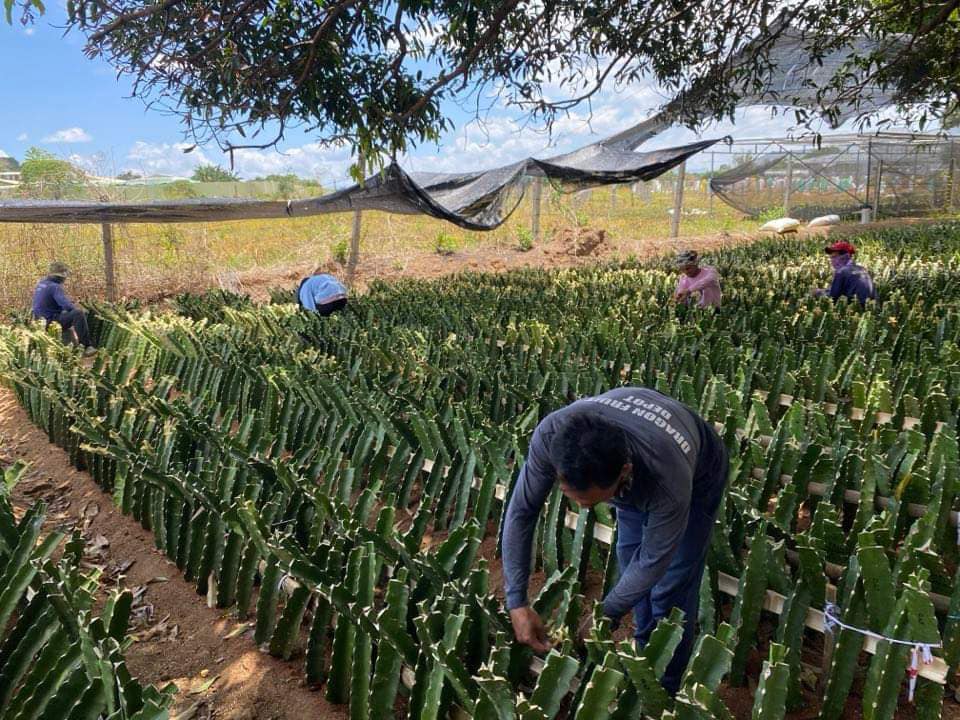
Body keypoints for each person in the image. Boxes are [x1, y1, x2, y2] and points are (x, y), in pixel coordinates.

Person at [502, 387, 728, 695]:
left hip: (699, 467)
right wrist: (516, 601)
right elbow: (521, 513)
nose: (582, 507)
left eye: (590, 500)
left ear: (624, 472)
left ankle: (665, 689)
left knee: (673, 583)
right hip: (634, 450)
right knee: (627, 556)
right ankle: (644, 646)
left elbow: (653, 561)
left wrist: (604, 615)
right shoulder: (551, 436)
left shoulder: (668, 479)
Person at [31, 262, 96, 356]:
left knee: (68, 313)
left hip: (39, 322)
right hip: (50, 322)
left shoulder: (42, 283)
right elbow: (66, 306)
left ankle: (71, 342)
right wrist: (74, 308)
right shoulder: (55, 287)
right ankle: (87, 347)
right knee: (78, 313)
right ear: (61, 276)